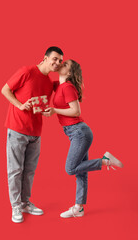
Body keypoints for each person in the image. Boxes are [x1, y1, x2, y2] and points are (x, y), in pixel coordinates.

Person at [42, 59, 124, 218]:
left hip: (79, 132)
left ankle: (105, 160)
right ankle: (79, 208)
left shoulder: (68, 87)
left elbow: (75, 111)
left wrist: (54, 111)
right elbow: (43, 81)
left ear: (70, 73)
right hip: (75, 133)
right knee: (81, 172)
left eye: (65, 65)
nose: (61, 64)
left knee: (71, 169)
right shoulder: (58, 85)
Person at [1, 46, 63, 223]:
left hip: (36, 132)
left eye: (60, 61)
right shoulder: (27, 71)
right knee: (15, 171)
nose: (57, 63)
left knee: (29, 171)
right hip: (17, 129)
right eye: (55, 59)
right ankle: (16, 206)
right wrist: (20, 105)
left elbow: (67, 86)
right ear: (45, 58)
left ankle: (25, 202)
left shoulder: (49, 82)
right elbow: (5, 90)